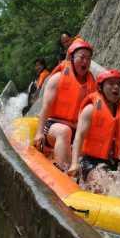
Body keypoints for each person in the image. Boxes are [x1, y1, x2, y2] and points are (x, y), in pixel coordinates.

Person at [68, 69, 120, 190]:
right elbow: (79, 137)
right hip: (90, 161)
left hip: (115, 161)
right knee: (102, 186)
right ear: (101, 87)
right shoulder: (91, 109)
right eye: (111, 83)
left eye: (118, 84)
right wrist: (74, 163)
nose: (116, 87)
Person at [33, 40, 96, 169]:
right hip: (52, 126)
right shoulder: (58, 78)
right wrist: (39, 133)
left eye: (89, 59)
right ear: (72, 58)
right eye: (82, 57)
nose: (86, 62)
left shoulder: (92, 85)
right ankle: (62, 171)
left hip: (76, 130)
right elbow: (46, 107)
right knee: (64, 131)